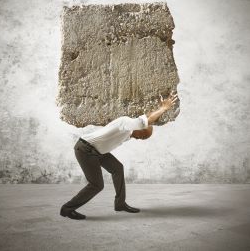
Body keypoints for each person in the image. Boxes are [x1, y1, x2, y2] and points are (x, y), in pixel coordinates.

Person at [60, 91, 178, 220]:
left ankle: (120, 204)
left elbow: (148, 120)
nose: (139, 139)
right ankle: (67, 208)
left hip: (98, 151)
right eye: (142, 137)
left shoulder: (128, 134)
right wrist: (163, 108)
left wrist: (157, 112)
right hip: (86, 149)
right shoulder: (125, 123)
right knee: (96, 185)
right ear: (139, 129)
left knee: (117, 168)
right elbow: (144, 121)